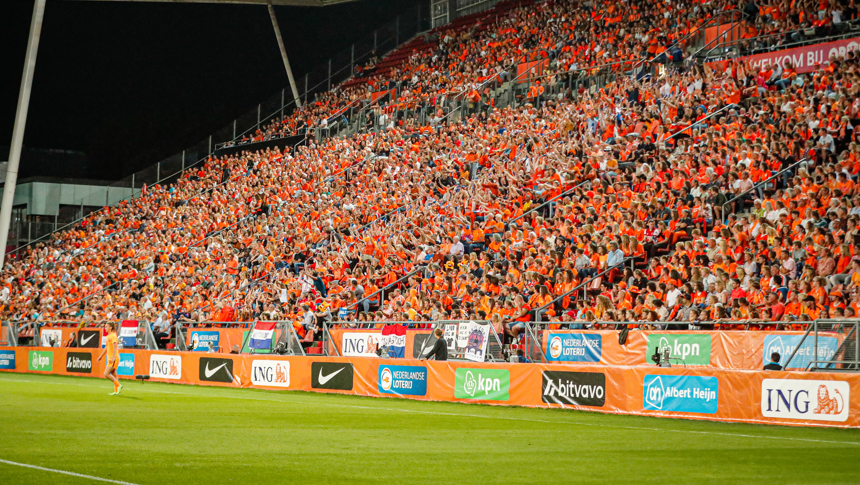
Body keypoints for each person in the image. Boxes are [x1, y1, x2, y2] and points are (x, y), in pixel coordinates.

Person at [97, 322, 123, 395]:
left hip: (113, 358)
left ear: (111, 327)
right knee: (114, 375)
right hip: (110, 358)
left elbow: (115, 347)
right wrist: (101, 356)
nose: (105, 328)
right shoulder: (109, 336)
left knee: (106, 373)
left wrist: (113, 357)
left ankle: (118, 386)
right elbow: (106, 347)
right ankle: (116, 391)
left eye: (106, 327)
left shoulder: (113, 336)